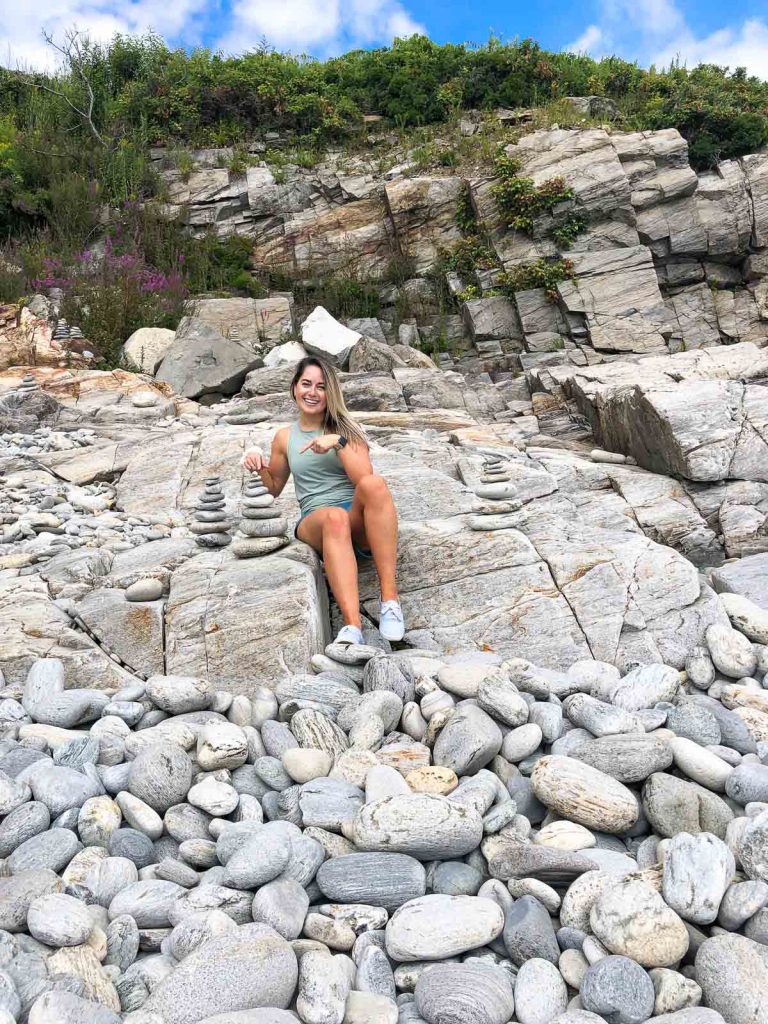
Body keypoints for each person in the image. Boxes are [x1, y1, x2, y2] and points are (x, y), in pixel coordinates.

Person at [242, 356, 405, 645]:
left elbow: (365, 479)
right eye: (306, 384)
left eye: (320, 387)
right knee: (333, 516)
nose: (312, 392)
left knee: (375, 484)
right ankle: (352, 626)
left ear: (330, 393)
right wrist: (258, 466)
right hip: (316, 520)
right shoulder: (284, 437)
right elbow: (273, 489)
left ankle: (390, 600)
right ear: (294, 388)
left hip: (354, 517)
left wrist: (338, 443)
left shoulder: (346, 428)